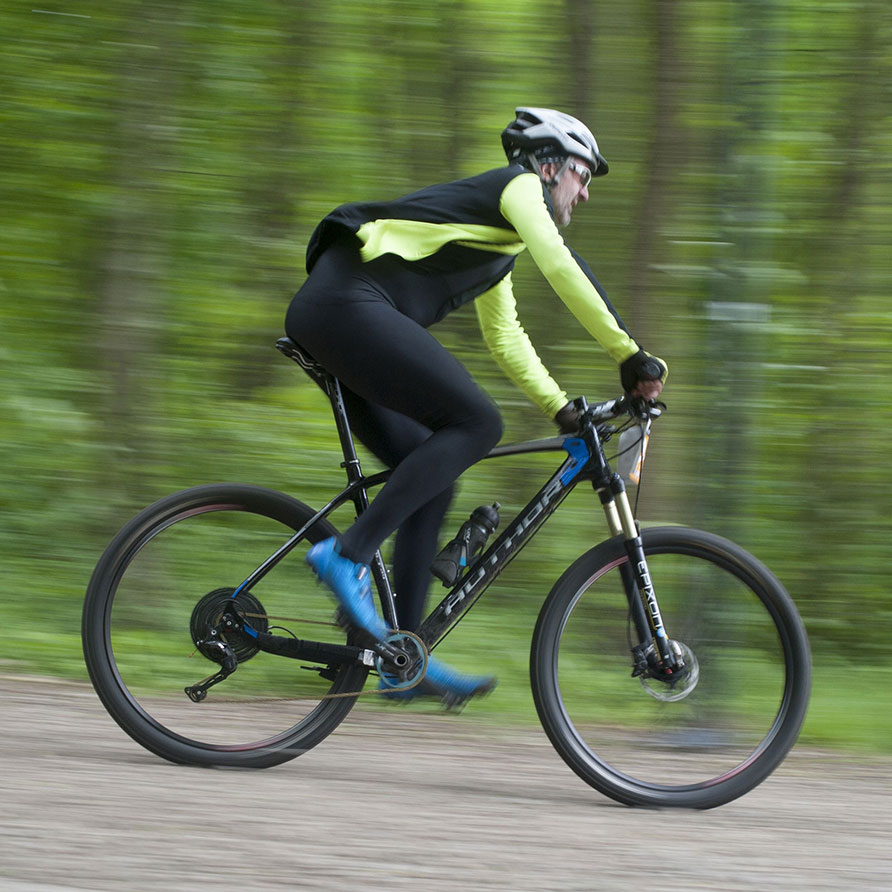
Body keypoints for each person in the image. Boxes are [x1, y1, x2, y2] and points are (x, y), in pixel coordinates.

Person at [286, 107, 666, 706]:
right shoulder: (518, 188)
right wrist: (629, 353)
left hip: (340, 317)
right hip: (345, 306)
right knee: (478, 423)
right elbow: (560, 263)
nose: (586, 192)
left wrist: (560, 408)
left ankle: (400, 656)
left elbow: (506, 337)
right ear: (548, 166)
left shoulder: (496, 242)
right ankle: (347, 553)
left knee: (433, 478)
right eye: (582, 174)